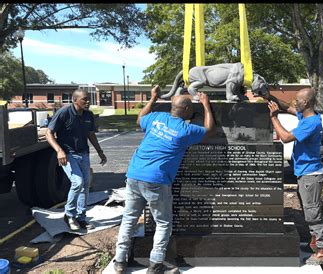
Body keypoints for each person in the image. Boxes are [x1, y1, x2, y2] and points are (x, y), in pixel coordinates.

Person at [113, 85, 215, 274]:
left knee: (129, 219)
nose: (193, 110)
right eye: (191, 107)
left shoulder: (156, 118)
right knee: (163, 222)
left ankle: (119, 262)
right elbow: (209, 129)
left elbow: (139, 119)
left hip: (134, 174)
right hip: (156, 180)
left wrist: (152, 99)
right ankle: (156, 264)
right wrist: (206, 105)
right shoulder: (185, 130)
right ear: (185, 110)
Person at [265, 88, 323, 266]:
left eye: (299, 101)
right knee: (308, 210)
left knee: (312, 214)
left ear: (307, 103)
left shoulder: (310, 123)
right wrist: (268, 96)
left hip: (310, 174)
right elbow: (287, 106)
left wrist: (274, 117)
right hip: (306, 173)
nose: (296, 103)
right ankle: (315, 244)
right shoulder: (308, 115)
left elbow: (286, 137)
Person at [46, 89, 107, 232]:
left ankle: (81, 218)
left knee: (85, 185)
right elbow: (49, 133)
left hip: (83, 154)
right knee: (77, 182)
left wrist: (100, 151)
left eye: (88, 100)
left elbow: (90, 134)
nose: (87, 102)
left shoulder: (89, 115)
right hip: (68, 154)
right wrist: (59, 150)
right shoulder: (64, 113)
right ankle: (69, 215)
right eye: (84, 99)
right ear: (75, 100)